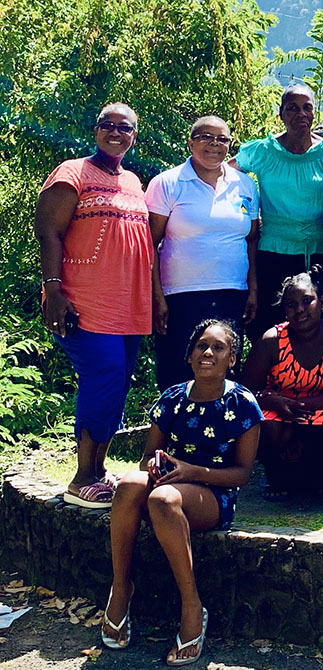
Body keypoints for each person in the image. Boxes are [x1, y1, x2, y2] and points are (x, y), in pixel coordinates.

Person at [100, 319, 262, 666]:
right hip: (171, 481)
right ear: (189, 356)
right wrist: (155, 466)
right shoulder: (171, 399)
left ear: (231, 359)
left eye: (218, 347)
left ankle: (192, 606)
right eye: (201, 346)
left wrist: (191, 472)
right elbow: (146, 458)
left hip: (213, 492)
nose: (208, 353)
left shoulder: (243, 404)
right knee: (129, 484)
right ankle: (121, 588)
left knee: (162, 499)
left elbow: (243, 474)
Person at [33, 103, 153, 509]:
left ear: (135, 135)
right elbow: (48, 231)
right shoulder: (72, 172)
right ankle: (82, 476)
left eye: (125, 128)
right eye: (108, 125)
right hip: (83, 297)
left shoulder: (134, 182)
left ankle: (99, 471)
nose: (116, 133)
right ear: (95, 129)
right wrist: (54, 291)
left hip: (128, 303)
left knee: (117, 384)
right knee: (105, 373)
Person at [146, 116, 260, 390]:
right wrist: (157, 296)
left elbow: (252, 239)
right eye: (206, 137)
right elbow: (148, 244)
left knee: (225, 372)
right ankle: (175, 431)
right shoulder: (168, 183)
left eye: (222, 139)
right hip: (180, 296)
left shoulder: (245, 185)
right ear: (190, 143)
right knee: (178, 371)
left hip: (232, 293)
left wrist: (252, 290)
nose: (214, 144)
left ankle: (222, 430)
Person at [241, 271, 323, 501]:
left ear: (322, 303)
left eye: (306, 300)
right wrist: (272, 400)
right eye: (291, 305)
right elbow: (244, 393)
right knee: (265, 423)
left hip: (322, 409)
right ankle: (278, 476)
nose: (299, 309)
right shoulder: (272, 341)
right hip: (283, 413)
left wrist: (300, 405)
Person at [232, 84, 323, 341]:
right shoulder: (262, 151)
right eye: (292, 108)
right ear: (281, 113)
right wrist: (243, 214)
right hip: (273, 254)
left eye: (307, 108)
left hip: (322, 254)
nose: (300, 114)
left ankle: (316, 380)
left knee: (320, 329)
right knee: (271, 328)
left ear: (315, 114)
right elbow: (224, 175)